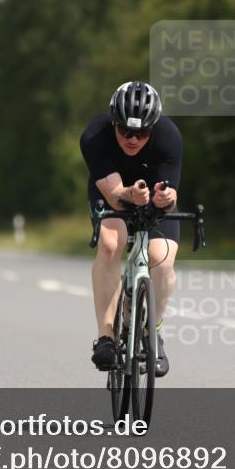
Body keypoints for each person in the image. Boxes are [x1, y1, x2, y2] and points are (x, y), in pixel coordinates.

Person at [80, 81, 181, 377]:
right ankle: (106, 337)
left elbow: (171, 197)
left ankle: (154, 330)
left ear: (154, 127)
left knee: (161, 260)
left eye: (142, 133)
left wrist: (166, 198)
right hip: (112, 192)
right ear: (113, 122)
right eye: (126, 131)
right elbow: (114, 197)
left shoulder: (169, 136)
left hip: (153, 197)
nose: (133, 139)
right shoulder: (94, 136)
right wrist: (130, 195)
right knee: (112, 243)